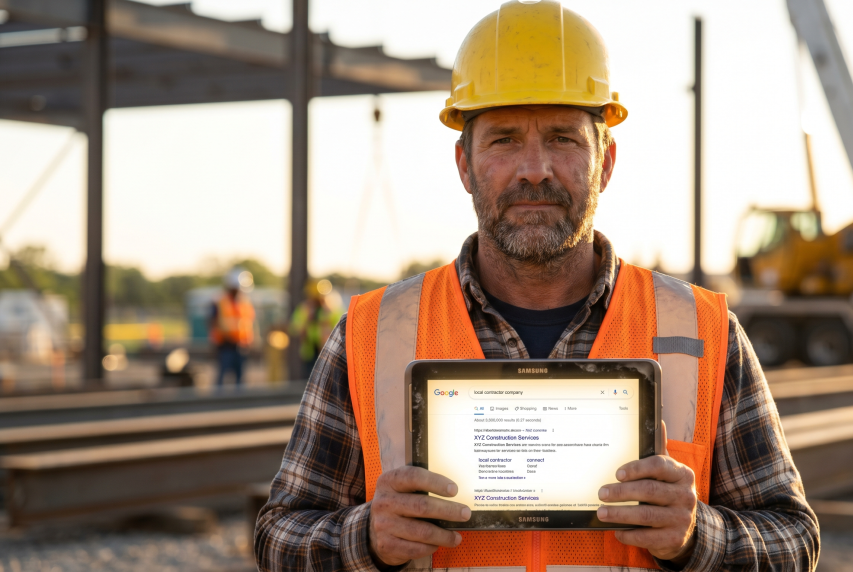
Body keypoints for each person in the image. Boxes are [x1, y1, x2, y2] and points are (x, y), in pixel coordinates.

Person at [255, 2, 820, 570]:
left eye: (562, 138)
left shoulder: (702, 332)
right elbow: (279, 538)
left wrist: (697, 536)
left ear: (606, 162)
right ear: (464, 165)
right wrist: (366, 538)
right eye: (503, 140)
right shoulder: (372, 335)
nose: (534, 168)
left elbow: (795, 541)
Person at [209, 268, 255, 386]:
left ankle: (238, 401)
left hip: (241, 345)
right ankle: (218, 401)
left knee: (240, 378)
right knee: (222, 375)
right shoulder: (220, 302)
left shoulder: (245, 302)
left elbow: (248, 322)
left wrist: (249, 341)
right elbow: (213, 322)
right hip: (225, 345)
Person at [289, 279, 343, 380]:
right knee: (310, 379)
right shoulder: (304, 309)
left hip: (328, 350)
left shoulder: (333, 309)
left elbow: (341, 327)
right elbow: (294, 328)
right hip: (310, 351)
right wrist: (306, 320)